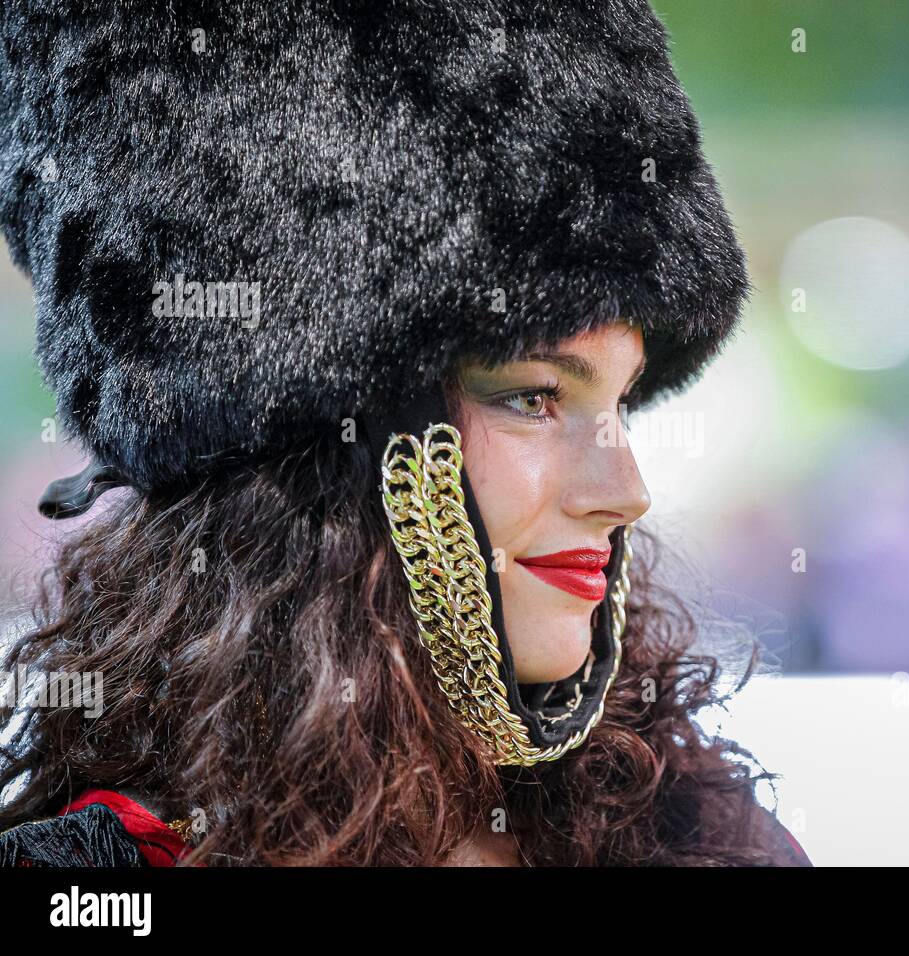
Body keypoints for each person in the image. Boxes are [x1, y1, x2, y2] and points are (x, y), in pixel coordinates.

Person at [0, 0, 811, 866]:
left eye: (620, 401)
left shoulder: (706, 841)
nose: (626, 493)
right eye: (534, 396)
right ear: (323, 448)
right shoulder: (93, 876)